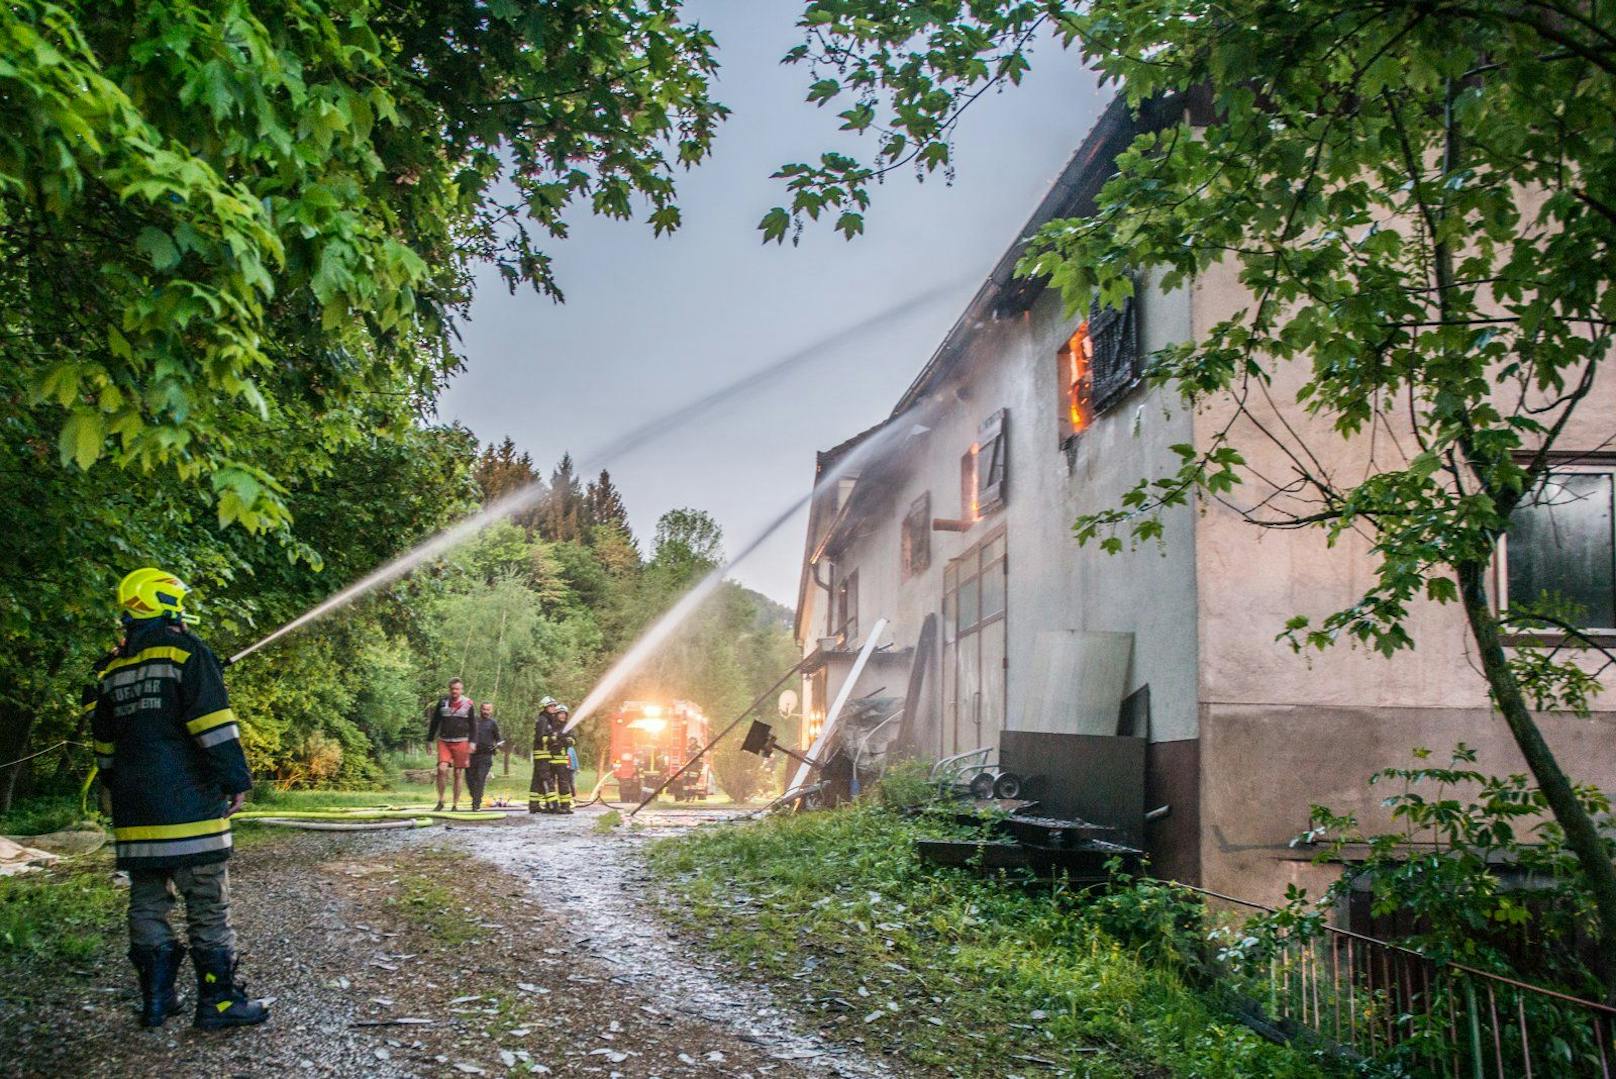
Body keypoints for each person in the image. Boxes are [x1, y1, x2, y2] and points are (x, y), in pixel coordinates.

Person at [90, 567, 269, 1030]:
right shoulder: (187, 652)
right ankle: (219, 1003)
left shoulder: (112, 668)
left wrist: (115, 791)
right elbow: (213, 727)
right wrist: (235, 780)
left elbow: (104, 746)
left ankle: (156, 1002)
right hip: (189, 807)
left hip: (136, 813)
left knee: (147, 902)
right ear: (164, 603)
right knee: (207, 903)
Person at [426, 678, 477, 811]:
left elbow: (473, 725)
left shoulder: (468, 704)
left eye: (457, 689)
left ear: (461, 690)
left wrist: (473, 742)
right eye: (452, 689)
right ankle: (441, 800)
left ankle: (455, 804)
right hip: (444, 741)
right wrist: (429, 740)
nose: (455, 691)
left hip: (462, 741)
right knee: (441, 769)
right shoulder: (443, 702)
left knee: (458, 773)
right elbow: (435, 722)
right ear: (449, 689)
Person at [467, 702, 503, 811]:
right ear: (480, 709)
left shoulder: (493, 723)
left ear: (491, 711)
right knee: (470, 780)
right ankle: (475, 796)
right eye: (484, 709)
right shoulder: (474, 721)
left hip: (486, 756)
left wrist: (499, 745)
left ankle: (476, 804)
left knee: (480, 778)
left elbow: (499, 739)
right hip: (471, 755)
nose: (486, 712)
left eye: (488, 710)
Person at [528, 696, 561, 813]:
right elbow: (540, 738)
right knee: (547, 779)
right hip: (542, 754)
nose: (553, 708)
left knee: (536, 780)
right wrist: (553, 739)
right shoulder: (543, 719)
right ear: (545, 707)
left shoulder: (548, 719)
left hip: (544, 754)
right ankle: (553, 805)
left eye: (554, 706)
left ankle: (533, 805)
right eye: (550, 706)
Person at [549, 706, 577, 814]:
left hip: (562, 760)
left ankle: (566, 805)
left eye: (564, 714)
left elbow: (573, 740)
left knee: (564, 783)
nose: (563, 716)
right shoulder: (551, 726)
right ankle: (551, 805)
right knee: (550, 783)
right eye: (560, 713)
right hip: (550, 759)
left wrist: (567, 740)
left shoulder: (568, 727)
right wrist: (555, 739)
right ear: (556, 715)